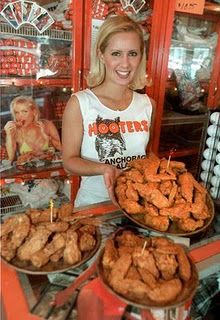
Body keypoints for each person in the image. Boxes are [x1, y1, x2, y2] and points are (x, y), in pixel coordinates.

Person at [62, 15, 155, 207]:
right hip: (94, 205)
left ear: (141, 57)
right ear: (101, 55)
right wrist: (105, 169)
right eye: (116, 53)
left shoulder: (148, 104)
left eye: (132, 53)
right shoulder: (80, 103)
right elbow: (69, 161)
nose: (125, 63)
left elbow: (147, 155)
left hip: (138, 206)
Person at [4, 96, 62, 162]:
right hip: (27, 171)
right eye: (17, 112)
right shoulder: (16, 131)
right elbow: (10, 159)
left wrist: (47, 137)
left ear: (34, 112)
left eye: (24, 111)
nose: (20, 116)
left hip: (51, 170)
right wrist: (9, 135)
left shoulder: (47, 125)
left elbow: (60, 148)